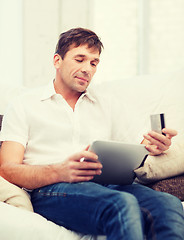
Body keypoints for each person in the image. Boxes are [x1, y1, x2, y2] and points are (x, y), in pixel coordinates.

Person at [0, 27, 183, 240]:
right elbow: (7, 169)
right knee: (119, 204)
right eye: (80, 59)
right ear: (57, 61)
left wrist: (155, 144)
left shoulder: (107, 105)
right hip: (51, 190)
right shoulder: (25, 105)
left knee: (168, 204)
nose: (88, 68)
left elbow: (137, 144)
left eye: (94, 63)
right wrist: (59, 171)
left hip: (105, 186)